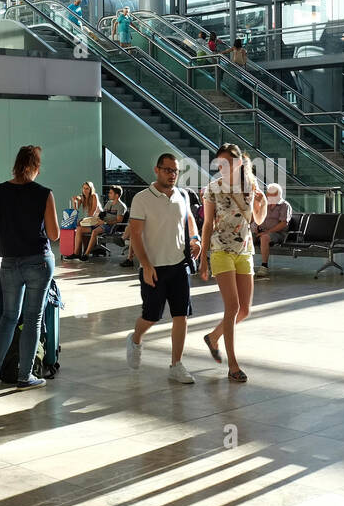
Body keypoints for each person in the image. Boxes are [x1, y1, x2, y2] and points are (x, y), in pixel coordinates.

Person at [0, 145, 58, 391]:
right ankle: (25, 377)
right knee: (33, 318)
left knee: (9, 317)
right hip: (38, 260)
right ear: (36, 167)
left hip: (10, 262)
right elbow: (55, 234)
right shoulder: (44, 193)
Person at [125, 153, 202, 384]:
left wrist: (195, 237)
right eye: (167, 170)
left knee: (181, 316)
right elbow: (136, 234)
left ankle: (176, 365)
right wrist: (146, 265)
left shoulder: (183, 195)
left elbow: (188, 218)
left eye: (175, 171)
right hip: (154, 268)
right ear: (157, 170)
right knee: (151, 317)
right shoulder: (141, 198)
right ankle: (136, 338)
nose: (172, 175)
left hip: (179, 266)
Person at [199, 144, 266, 383]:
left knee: (245, 310)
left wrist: (261, 203)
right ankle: (233, 365)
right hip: (220, 249)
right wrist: (203, 258)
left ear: (238, 162)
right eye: (219, 163)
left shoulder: (251, 185)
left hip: (245, 250)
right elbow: (207, 224)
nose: (222, 167)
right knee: (233, 307)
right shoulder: (213, 188)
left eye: (226, 162)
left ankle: (213, 336)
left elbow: (257, 219)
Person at [253, 183, 292, 277]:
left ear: (278, 194)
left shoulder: (284, 205)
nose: (268, 196)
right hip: (262, 231)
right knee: (247, 236)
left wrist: (267, 232)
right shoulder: (265, 204)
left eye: (271, 194)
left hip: (278, 233)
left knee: (265, 237)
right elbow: (255, 217)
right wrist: (256, 228)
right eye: (268, 194)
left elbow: (283, 223)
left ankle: (264, 266)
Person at [85, 185, 126, 258]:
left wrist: (104, 222)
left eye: (110, 193)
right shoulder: (109, 203)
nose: (108, 194)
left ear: (117, 195)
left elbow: (118, 221)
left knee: (94, 232)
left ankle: (86, 254)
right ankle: (78, 253)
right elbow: (103, 215)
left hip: (110, 226)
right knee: (81, 228)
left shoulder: (121, 206)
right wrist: (97, 216)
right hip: (102, 223)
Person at [67, 180, 100, 261]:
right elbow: (76, 210)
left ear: (91, 189)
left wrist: (83, 220)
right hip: (90, 221)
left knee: (79, 227)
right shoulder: (83, 197)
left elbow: (93, 212)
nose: (85, 190)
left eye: (87, 188)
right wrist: (74, 201)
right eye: (84, 188)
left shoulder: (94, 196)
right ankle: (77, 253)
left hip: (97, 221)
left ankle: (77, 253)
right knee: (78, 227)